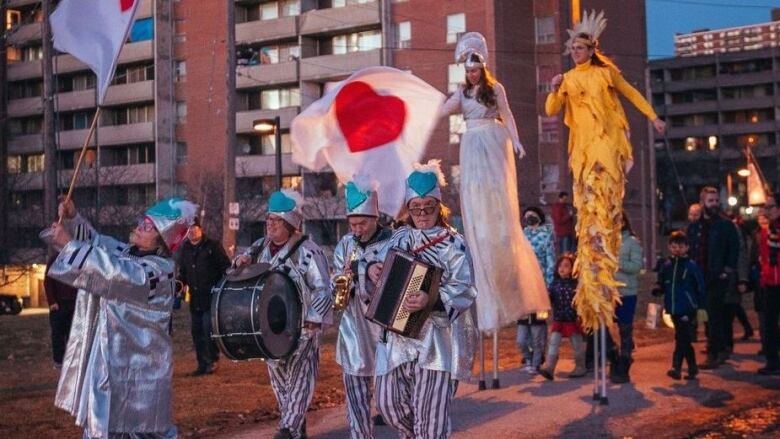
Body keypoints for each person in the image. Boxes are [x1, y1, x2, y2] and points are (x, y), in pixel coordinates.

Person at [544, 10, 666, 332]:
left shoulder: (606, 74)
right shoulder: (569, 80)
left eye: (580, 49)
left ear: (591, 50)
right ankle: (593, 282)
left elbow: (632, 94)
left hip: (605, 147)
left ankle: (607, 267)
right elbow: (551, 110)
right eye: (572, 50)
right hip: (582, 153)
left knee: (605, 203)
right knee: (588, 209)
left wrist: (653, 117)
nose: (575, 53)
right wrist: (555, 88)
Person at [47, 196, 196, 439]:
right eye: (142, 221)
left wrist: (69, 246)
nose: (139, 227)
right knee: (106, 425)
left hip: (141, 374)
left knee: (142, 430)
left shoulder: (159, 272)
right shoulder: (127, 252)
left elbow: (116, 274)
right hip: (111, 365)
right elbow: (97, 244)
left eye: (148, 226)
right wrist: (73, 219)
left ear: (161, 241)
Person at [440, 32, 549, 331]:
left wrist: (516, 141)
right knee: (476, 193)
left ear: (482, 68)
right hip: (473, 143)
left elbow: (508, 115)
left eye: (475, 70)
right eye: (468, 70)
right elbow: (444, 109)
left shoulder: (495, 89)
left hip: (492, 140)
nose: (472, 74)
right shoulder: (462, 92)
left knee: (496, 197)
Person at [367, 161, 478, 439]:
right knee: (388, 404)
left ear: (438, 207)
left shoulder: (454, 244)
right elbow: (374, 259)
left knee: (431, 418)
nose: (422, 213)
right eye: (415, 207)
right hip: (397, 340)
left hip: (436, 343)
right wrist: (371, 268)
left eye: (428, 206)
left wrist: (431, 298)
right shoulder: (398, 237)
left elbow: (465, 288)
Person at [233, 189, 331, 439]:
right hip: (271, 328)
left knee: (299, 379)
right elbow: (244, 257)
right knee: (280, 385)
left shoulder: (309, 251)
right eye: (268, 219)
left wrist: (314, 320)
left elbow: (323, 288)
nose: (270, 224)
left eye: (276, 221)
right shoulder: (261, 246)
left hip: (303, 327)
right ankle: (296, 428)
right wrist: (241, 260)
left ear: (290, 223)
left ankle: (287, 429)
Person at [332, 177, 392, 439]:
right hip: (353, 328)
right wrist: (342, 280)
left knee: (390, 395)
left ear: (375, 217)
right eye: (352, 223)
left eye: (362, 223)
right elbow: (335, 277)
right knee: (355, 391)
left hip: (385, 329)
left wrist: (362, 270)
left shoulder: (394, 241)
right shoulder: (345, 244)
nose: (356, 229)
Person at [694, 187, 741, 370]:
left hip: (717, 276)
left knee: (715, 315)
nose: (713, 204)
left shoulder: (725, 225)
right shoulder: (697, 226)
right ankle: (717, 347)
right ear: (702, 202)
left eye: (715, 200)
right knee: (706, 315)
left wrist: (727, 270)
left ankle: (715, 352)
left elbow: (734, 248)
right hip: (701, 276)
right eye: (710, 200)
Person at [176, 218, 231, 376]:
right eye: (189, 229)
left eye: (195, 227)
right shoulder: (185, 249)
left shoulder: (212, 246)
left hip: (212, 297)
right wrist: (178, 285)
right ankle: (202, 364)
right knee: (197, 331)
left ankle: (212, 360)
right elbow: (183, 273)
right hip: (195, 299)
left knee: (208, 330)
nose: (192, 231)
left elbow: (225, 267)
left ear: (200, 229)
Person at [653, 231, 706, 380]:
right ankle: (692, 368)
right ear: (670, 247)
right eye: (674, 246)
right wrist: (658, 288)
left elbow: (700, 286)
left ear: (687, 247)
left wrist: (700, 307)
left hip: (687, 308)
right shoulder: (667, 265)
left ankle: (676, 367)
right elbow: (662, 280)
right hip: (673, 307)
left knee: (682, 337)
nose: (677, 249)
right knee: (683, 338)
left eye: (681, 246)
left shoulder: (691, 266)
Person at [516, 206, 555, 373]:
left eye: (532, 215)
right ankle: (528, 357)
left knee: (538, 325)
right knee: (523, 329)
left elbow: (550, 261)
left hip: (540, 287)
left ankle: (537, 360)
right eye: (526, 216)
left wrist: (548, 285)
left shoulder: (547, 235)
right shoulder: (521, 236)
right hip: (523, 288)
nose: (529, 218)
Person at [539, 253, 587, 380]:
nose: (562, 268)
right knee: (553, 343)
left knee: (577, 344)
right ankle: (550, 367)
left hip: (572, 320)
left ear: (572, 269)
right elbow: (550, 298)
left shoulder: (575, 284)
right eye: (560, 265)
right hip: (559, 319)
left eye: (566, 266)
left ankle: (581, 366)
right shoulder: (554, 284)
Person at [611, 213, 644, 383]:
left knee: (625, 330)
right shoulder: (607, 241)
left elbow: (637, 267)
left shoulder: (632, 242)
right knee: (600, 328)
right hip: (608, 293)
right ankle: (614, 354)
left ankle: (624, 365)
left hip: (626, 293)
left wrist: (618, 263)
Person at [756, 193, 780, 375]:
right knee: (770, 323)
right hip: (771, 283)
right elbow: (764, 258)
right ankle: (773, 360)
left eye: (770, 207)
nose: (767, 211)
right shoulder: (766, 232)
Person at [44, 252, 78, 369]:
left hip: (73, 303)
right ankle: (58, 361)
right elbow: (48, 282)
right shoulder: (54, 259)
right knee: (57, 333)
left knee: (72, 334)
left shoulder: (76, 259)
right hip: (58, 304)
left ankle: (72, 361)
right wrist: (52, 301)